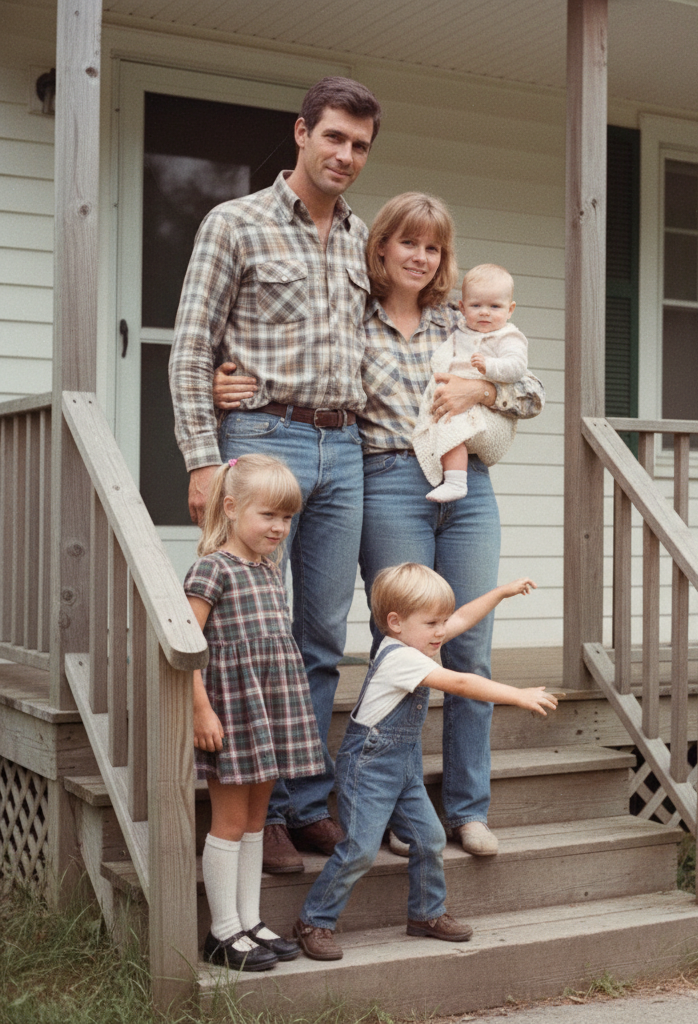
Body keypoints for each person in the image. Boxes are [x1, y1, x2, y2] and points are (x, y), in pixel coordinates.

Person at [212, 191, 545, 858]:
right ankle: (394, 806)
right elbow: (297, 369)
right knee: (404, 648)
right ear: (382, 249)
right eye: (409, 243)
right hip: (388, 481)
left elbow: (531, 393)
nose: (421, 257)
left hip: (470, 487)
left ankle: (468, 808)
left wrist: (485, 389)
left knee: (469, 647)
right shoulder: (352, 323)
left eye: (433, 248)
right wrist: (235, 383)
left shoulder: (460, 325)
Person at [169, 76, 382, 873]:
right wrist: (201, 454)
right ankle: (247, 806)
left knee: (323, 631)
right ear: (301, 133)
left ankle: (297, 802)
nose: (346, 155)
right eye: (334, 137)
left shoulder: (365, 238)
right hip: (262, 439)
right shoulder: (237, 223)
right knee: (248, 631)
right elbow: (193, 348)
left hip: (347, 446)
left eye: (360, 145)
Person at [292, 562, 557, 961]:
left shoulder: (419, 638)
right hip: (368, 769)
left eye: (443, 622)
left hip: (403, 768)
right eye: (433, 623)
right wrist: (516, 694)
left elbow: (464, 616)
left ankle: (425, 914)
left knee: (430, 839)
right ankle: (314, 920)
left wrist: (500, 592)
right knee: (360, 851)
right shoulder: (400, 656)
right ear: (396, 622)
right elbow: (462, 683)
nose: (442, 632)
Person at [185, 454, 327, 972]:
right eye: (268, 515)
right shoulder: (211, 568)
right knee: (228, 821)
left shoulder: (267, 569)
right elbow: (185, 648)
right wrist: (201, 710)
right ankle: (222, 932)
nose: (279, 527)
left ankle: (249, 920)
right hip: (233, 709)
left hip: (272, 707)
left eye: (287, 518)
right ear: (231, 507)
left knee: (254, 821)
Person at [411, 263, 527, 503]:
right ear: (462, 308)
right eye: (476, 306)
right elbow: (444, 354)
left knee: (453, 430)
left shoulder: (507, 336)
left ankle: (456, 482)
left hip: (484, 411)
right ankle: (453, 478)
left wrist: (489, 368)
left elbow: (517, 367)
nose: (485, 312)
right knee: (448, 426)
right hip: (455, 402)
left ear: (510, 309)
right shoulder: (460, 331)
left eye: (495, 306)